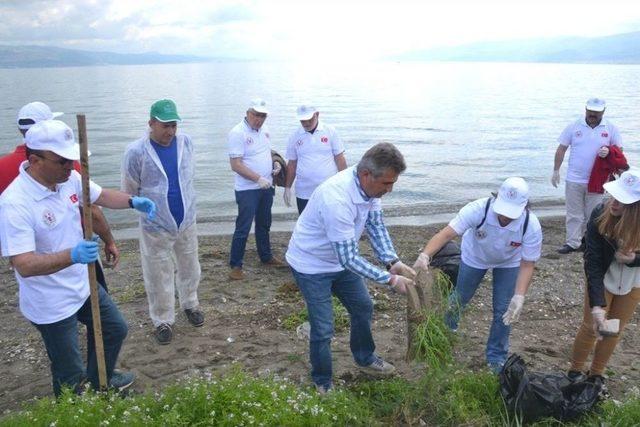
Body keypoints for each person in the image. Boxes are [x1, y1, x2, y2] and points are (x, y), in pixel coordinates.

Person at [0, 119, 156, 396]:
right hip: (50, 302)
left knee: (114, 329)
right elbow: (23, 264)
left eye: (71, 160)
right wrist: (72, 255)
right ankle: (73, 410)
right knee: (68, 372)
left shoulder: (69, 179)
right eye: (62, 161)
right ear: (35, 160)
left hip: (82, 286)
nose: (70, 166)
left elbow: (102, 196)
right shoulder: (15, 203)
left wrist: (132, 201)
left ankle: (100, 381)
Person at [286, 142, 416, 393]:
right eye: (387, 184)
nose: (389, 190)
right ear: (366, 175)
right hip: (311, 265)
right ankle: (322, 382)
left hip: (338, 259)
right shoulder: (337, 198)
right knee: (323, 328)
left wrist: (393, 262)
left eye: (393, 184)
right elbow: (349, 258)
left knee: (363, 306)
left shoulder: (370, 190)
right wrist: (390, 280)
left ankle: (364, 357)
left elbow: (376, 226)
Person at [414, 177, 543, 373]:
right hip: (475, 257)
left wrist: (519, 295)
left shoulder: (530, 225)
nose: (505, 217)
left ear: (524, 207)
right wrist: (425, 254)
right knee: (459, 298)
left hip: (509, 262)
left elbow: (527, 264)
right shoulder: (478, 209)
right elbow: (447, 234)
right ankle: (447, 334)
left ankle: (496, 357)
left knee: (504, 310)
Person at [0, 102, 119, 291]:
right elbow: (92, 211)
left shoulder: (2, 166)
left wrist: (12, 250)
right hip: (76, 252)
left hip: (32, 258)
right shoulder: (67, 167)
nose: (69, 165)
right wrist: (108, 240)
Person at [121, 99, 204, 345]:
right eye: (165, 126)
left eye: (174, 126)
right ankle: (162, 319)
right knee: (158, 272)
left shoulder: (186, 143)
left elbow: (188, 178)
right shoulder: (136, 151)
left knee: (190, 264)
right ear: (151, 123)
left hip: (186, 219)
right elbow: (129, 190)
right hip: (155, 224)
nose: (170, 131)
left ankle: (190, 303)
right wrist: (145, 209)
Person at [568, 169, 640, 390]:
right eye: (614, 196)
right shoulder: (600, 213)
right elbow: (593, 261)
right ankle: (575, 370)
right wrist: (597, 304)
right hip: (604, 277)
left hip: (633, 282)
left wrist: (634, 260)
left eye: (622, 200)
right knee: (592, 326)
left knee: (612, 329)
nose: (614, 203)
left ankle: (596, 372)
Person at [552, 98, 623, 254]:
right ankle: (572, 242)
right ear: (585, 109)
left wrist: (610, 151)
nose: (593, 114)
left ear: (603, 111)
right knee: (573, 213)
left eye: (596, 112)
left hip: (598, 179)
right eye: (590, 111)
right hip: (574, 178)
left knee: (594, 213)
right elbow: (561, 148)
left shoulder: (610, 128)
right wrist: (556, 170)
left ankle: (589, 241)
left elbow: (619, 151)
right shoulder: (574, 125)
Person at [227, 98, 286, 280]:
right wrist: (257, 178)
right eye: (256, 115)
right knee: (243, 227)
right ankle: (235, 265)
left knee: (264, 223)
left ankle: (266, 256)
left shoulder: (265, 131)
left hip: (266, 186)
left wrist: (275, 164)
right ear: (248, 113)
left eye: (263, 116)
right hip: (247, 189)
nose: (259, 119)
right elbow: (236, 165)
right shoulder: (237, 133)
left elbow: (265, 152)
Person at [284, 104, 347, 214]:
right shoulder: (294, 136)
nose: (306, 123)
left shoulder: (330, 131)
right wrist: (287, 187)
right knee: (307, 227)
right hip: (304, 191)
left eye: (309, 119)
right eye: (303, 121)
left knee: (330, 222)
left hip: (329, 190)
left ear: (317, 114)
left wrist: (346, 184)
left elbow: (340, 159)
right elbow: (292, 164)